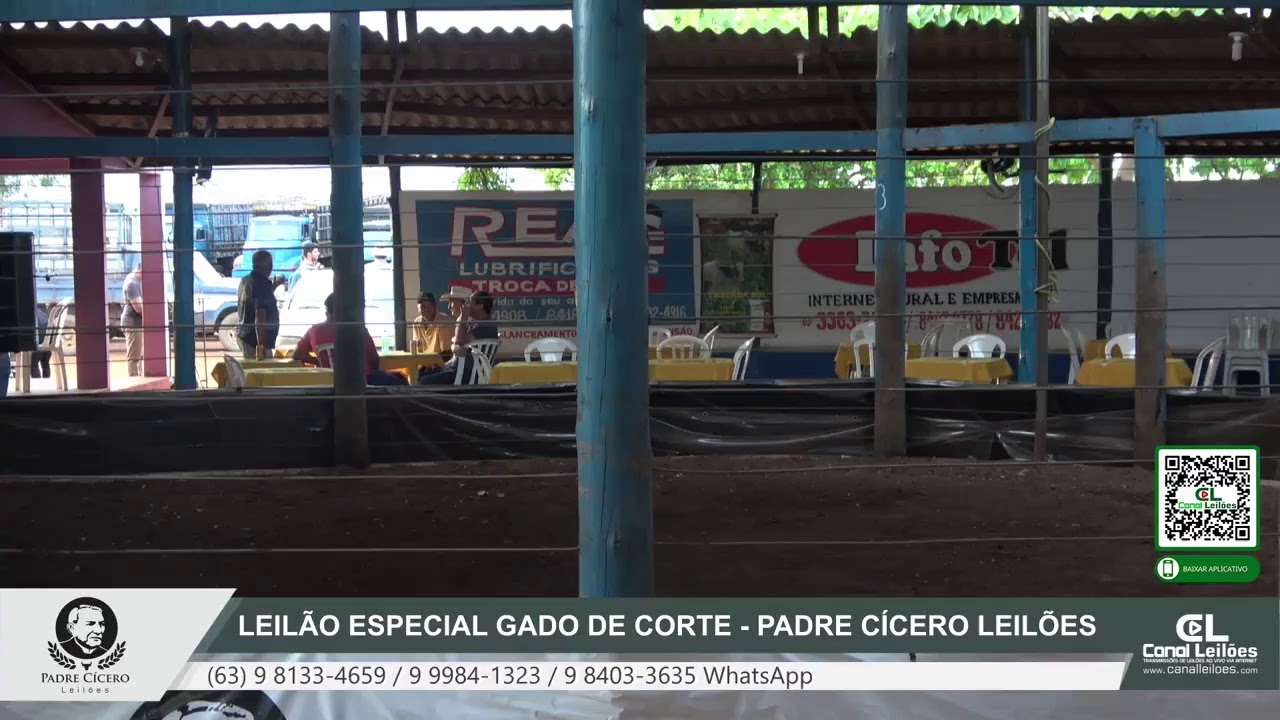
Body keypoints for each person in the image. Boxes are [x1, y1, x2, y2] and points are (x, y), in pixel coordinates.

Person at [294, 294, 406, 386]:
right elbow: (374, 359)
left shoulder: (314, 331)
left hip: (331, 381)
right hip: (362, 380)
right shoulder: (357, 328)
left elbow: (297, 353)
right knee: (400, 379)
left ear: (327, 311)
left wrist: (320, 362)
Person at [419, 288, 500, 385]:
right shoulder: (478, 323)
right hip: (460, 369)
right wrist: (456, 347)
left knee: (424, 381)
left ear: (480, 306)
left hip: (464, 373)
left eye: (470, 302)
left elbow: (459, 341)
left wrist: (462, 318)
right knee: (423, 374)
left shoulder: (485, 326)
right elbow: (459, 345)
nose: (467, 305)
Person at [236, 249, 284, 360]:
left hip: (245, 336)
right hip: (255, 341)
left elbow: (255, 301)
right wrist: (260, 347)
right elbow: (260, 317)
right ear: (269, 266)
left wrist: (273, 287)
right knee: (263, 374)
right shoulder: (262, 285)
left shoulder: (245, 281)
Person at [121, 265, 144, 376]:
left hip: (137, 322)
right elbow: (139, 308)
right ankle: (134, 380)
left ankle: (138, 378)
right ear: (141, 270)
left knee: (139, 355)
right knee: (134, 357)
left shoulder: (134, 278)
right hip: (133, 323)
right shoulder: (132, 284)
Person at [31, 304, 51, 379]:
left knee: (33, 364)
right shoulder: (43, 314)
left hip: (37, 347)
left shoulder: (31, 315)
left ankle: (37, 383)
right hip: (47, 346)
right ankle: (47, 382)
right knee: (45, 363)